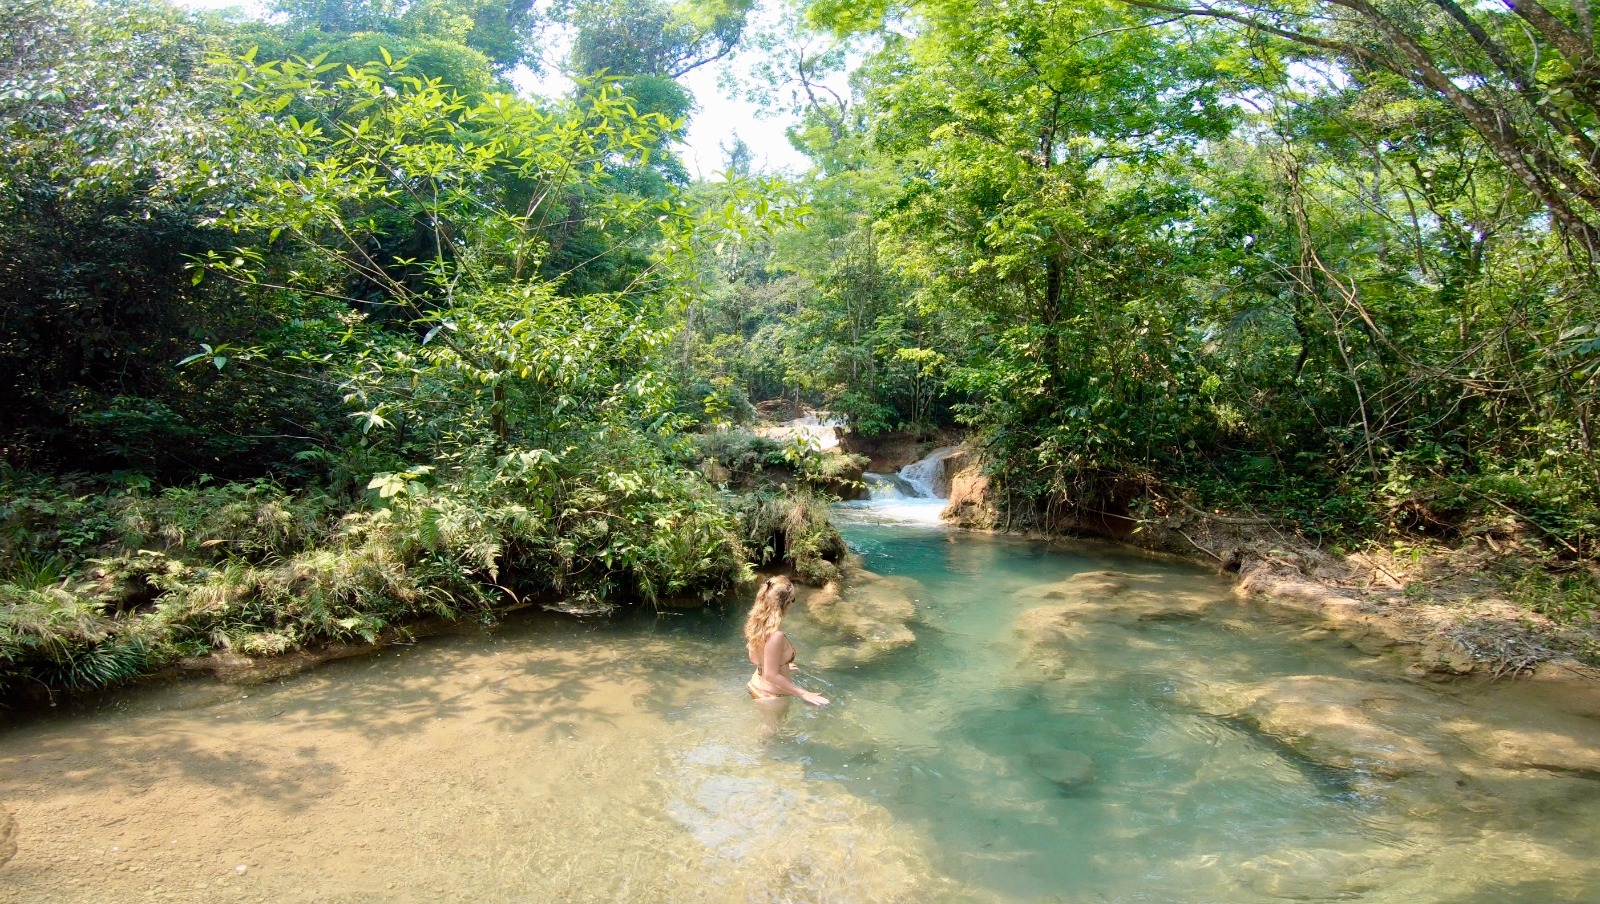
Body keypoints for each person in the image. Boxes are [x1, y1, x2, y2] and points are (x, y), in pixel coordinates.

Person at [744, 575, 829, 707]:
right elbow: (771, 676)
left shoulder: (755, 626)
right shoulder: (776, 635)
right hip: (772, 696)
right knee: (771, 728)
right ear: (786, 604)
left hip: (754, 686)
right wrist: (804, 693)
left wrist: (783, 666)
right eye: (792, 600)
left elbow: (754, 659)